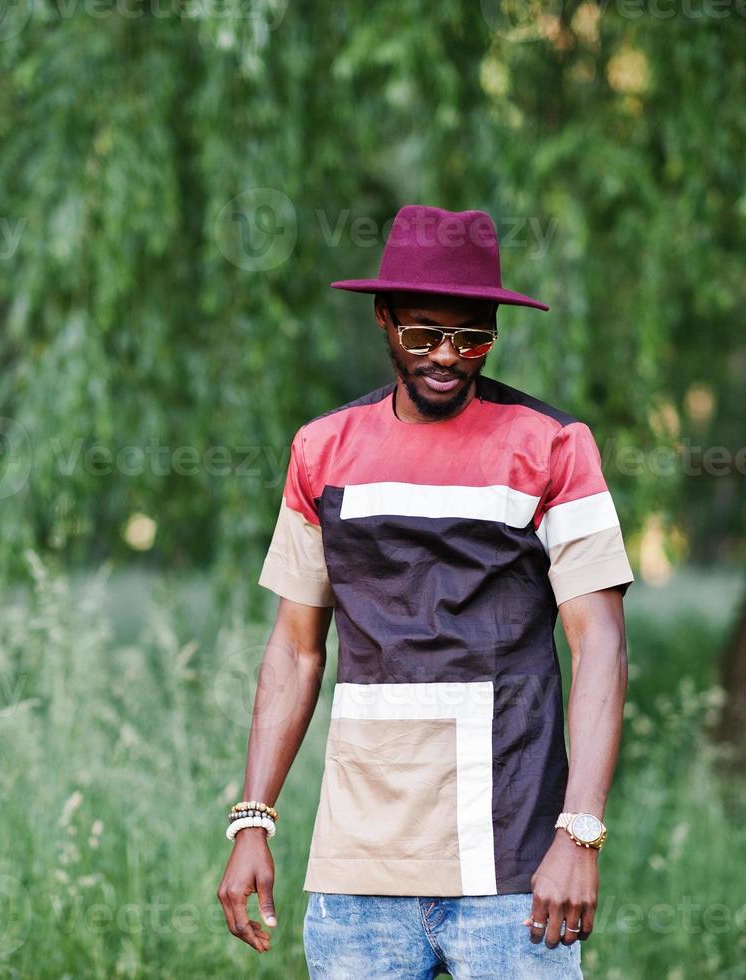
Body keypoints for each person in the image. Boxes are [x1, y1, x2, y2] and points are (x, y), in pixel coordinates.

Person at [217, 204, 634, 979]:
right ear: (384, 320)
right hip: (357, 875)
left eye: (471, 335)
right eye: (422, 333)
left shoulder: (553, 448)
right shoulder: (322, 451)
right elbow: (295, 650)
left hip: (513, 873)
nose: (447, 355)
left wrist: (578, 835)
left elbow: (600, 644)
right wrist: (252, 822)